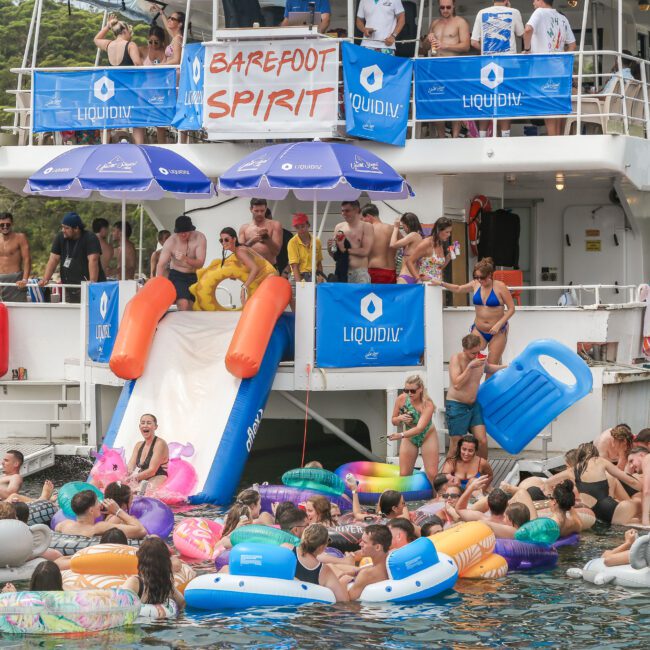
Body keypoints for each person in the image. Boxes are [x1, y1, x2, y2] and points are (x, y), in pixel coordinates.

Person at [435, 258, 515, 368]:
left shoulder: (500, 286)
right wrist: (441, 283)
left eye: (482, 277)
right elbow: (458, 289)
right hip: (479, 329)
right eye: (476, 277)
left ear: (490, 275)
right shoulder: (476, 284)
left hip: (497, 331)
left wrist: (498, 324)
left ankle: (493, 381)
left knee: (491, 365)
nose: (479, 280)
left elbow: (511, 309)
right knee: (469, 360)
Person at [470, 0, 524, 137]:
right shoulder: (514, 12)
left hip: (487, 65)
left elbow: (474, 42)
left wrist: (490, 49)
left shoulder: (481, 13)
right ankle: (505, 137)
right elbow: (521, 33)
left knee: (486, 102)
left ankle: (482, 137)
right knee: (506, 101)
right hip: (509, 65)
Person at [446, 334, 506, 456]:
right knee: (456, 445)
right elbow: (457, 384)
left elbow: (488, 368)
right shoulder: (456, 359)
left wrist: (506, 367)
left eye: (478, 351)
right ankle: (447, 473)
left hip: (473, 405)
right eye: (472, 353)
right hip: (457, 405)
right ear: (464, 350)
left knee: (482, 441)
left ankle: (481, 470)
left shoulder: (479, 358)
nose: (476, 356)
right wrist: (469, 367)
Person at [523, 0, 576, 136]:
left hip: (543, 68)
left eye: (535, 0)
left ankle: (553, 140)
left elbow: (528, 29)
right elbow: (572, 44)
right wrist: (563, 60)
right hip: (560, 69)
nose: (533, 2)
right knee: (557, 105)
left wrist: (527, 49)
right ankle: (558, 138)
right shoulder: (562, 17)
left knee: (548, 105)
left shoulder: (539, 12)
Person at [93, 15, 144, 145]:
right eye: (130, 32)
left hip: (111, 89)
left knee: (109, 119)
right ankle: (140, 147)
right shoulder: (130, 45)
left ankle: (104, 145)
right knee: (136, 120)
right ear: (125, 31)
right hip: (128, 88)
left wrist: (108, 26)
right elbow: (137, 64)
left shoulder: (109, 44)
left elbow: (96, 39)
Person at [424, 0, 470, 138]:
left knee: (454, 102)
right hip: (436, 67)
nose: (445, 10)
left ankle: (455, 137)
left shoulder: (460, 22)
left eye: (448, 7)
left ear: (453, 6)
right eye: (442, 7)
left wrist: (445, 45)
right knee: (438, 102)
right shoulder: (434, 23)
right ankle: (441, 136)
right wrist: (428, 39)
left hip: (453, 67)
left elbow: (466, 46)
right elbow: (426, 47)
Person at [39, 212, 106, 304]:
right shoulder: (60, 237)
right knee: (71, 315)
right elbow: (53, 259)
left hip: (88, 288)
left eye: (66, 228)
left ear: (76, 228)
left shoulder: (90, 237)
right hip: (69, 288)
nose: (63, 230)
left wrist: (92, 283)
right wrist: (45, 279)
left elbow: (93, 260)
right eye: (62, 227)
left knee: (89, 315)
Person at [571, 442, 641, 525]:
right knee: (639, 503)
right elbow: (631, 481)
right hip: (609, 509)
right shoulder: (600, 461)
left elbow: (550, 482)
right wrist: (644, 488)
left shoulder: (573, 469)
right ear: (595, 453)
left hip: (593, 513)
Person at [389, 375, 438, 488]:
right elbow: (393, 421)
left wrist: (400, 435)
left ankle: (437, 499)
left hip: (427, 436)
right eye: (406, 390)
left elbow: (420, 428)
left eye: (413, 391)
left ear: (420, 389)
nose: (409, 393)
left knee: (432, 474)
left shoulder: (427, 404)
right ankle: (403, 502)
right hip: (409, 437)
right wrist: (399, 418)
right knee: (404, 474)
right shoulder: (401, 399)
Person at [122, 536, 185, 614]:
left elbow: (119, 605)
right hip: (163, 624)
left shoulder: (135, 582)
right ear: (166, 561)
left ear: (141, 560)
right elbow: (182, 603)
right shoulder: (166, 584)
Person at [156, 215, 207, 311]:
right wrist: (159, 284)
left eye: (186, 232)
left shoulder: (199, 238)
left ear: (191, 230)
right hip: (178, 275)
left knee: (192, 306)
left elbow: (200, 263)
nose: (183, 235)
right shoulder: (171, 242)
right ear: (176, 232)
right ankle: (182, 324)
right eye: (180, 232)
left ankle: (188, 325)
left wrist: (185, 259)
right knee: (183, 303)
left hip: (194, 275)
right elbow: (161, 265)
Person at [218, 227, 278, 306]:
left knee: (259, 307)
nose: (223, 242)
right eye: (221, 240)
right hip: (266, 277)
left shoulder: (239, 252)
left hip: (268, 277)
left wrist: (244, 287)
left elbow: (255, 269)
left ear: (234, 239)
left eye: (226, 239)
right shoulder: (239, 249)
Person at [55, 490, 146, 539]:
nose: (100, 504)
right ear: (91, 511)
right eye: (97, 502)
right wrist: (118, 511)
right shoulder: (100, 528)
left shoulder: (63, 525)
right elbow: (141, 530)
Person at [293, 523, 349, 601]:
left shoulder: (287, 548)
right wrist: (343, 582)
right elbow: (343, 601)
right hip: (310, 609)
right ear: (322, 547)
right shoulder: (324, 570)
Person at [340, 524, 391, 600]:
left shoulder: (366, 574)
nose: (360, 544)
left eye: (364, 542)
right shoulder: (389, 559)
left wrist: (342, 581)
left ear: (377, 547)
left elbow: (347, 603)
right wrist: (356, 572)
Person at [329, 201, 374, 284]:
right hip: (342, 271)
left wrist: (345, 250)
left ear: (356, 210)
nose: (344, 214)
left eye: (347, 211)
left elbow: (366, 251)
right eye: (342, 211)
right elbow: (334, 254)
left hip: (359, 272)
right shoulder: (339, 227)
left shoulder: (366, 226)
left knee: (360, 297)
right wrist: (330, 248)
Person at [287, 213, 324, 311]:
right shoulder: (292, 242)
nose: (301, 229)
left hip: (313, 275)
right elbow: (294, 266)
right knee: (297, 307)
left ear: (308, 225)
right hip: (298, 275)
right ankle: (297, 324)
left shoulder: (316, 241)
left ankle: (314, 325)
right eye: (297, 227)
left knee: (314, 306)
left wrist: (320, 276)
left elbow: (319, 262)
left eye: (303, 226)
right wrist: (299, 284)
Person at [126, 414, 169, 490]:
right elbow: (130, 467)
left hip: (158, 476)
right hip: (142, 479)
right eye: (142, 423)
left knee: (139, 492)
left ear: (155, 427)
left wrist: (131, 478)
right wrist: (121, 475)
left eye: (149, 423)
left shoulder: (160, 443)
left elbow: (152, 471)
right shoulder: (138, 445)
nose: (145, 425)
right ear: (139, 427)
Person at [405, 217, 452, 284]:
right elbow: (409, 261)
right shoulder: (426, 243)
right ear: (438, 230)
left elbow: (438, 268)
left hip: (437, 284)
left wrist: (448, 258)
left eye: (450, 232)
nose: (449, 235)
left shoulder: (440, 244)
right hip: (426, 285)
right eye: (447, 232)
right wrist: (418, 278)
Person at [239, 199, 283, 266]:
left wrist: (266, 237)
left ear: (266, 209)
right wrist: (252, 241)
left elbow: (276, 252)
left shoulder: (275, 225)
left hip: (270, 267)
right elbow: (240, 252)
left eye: (262, 211)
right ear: (251, 209)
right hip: (251, 269)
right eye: (256, 211)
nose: (259, 213)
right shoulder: (244, 228)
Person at [361, 204, 396, 284]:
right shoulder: (392, 228)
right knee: (388, 296)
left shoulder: (368, 230)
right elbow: (406, 245)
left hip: (375, 271)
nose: (362, 222)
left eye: (363, 219)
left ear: (368, 216)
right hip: (391, 271)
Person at [0, 212, 30, 302]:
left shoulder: (20, 237)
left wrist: (24, 279)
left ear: (12, 223)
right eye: (2, 224)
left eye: (8, 224)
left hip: (16, 280)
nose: (5, 226)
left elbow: (27, 259)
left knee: (18, 311)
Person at [389, 213, 423, 285]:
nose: (403, 229)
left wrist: (396, 227)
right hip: (414, 276)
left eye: (403, 226)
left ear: (407, 225)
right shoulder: (419, 237)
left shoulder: (413, 235)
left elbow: (392, 244)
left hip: (405, 276)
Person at [626, 447, 650, 526]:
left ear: (641, 455)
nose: (631, 466)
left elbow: (647, 491)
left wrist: (645, 521)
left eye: (631, 461)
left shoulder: (647, 458)